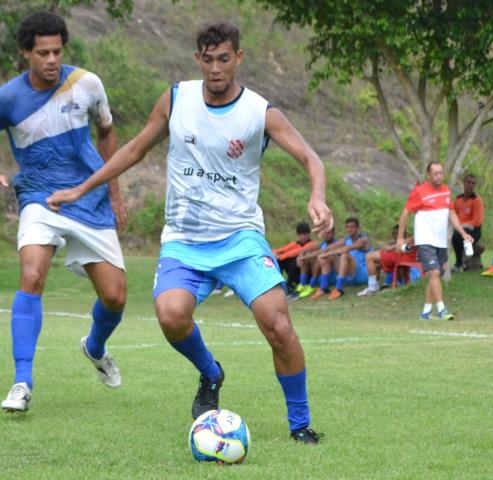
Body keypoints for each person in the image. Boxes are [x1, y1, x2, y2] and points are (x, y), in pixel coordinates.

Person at [47, 21, 332, 443]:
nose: (215, 68)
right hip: (184, 239)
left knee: (277, 323)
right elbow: (134, 149)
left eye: (224, 58)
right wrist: (83, 188)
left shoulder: (260, 111)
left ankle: (300, 425)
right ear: (197, 59)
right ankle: (211, 372)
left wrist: (318, 196)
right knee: (171, 316)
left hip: (239, 237)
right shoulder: (176, 99)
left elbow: (311, 158)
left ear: (238, 58)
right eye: (208, 59)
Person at [0, 12, 129, 413]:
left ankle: (94, 347)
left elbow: (107, 132)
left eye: (57, 51)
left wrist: (115, 193)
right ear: (25, 53)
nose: (52, 59)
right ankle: (22, 381)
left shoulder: (86, 84)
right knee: (32, 274)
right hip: (39, 196)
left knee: (115, 297)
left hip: (88, 197)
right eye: (42, 53)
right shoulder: (5, 99)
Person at [397, 162, 473, 320]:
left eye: (441, 173)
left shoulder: (446, 191)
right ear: (428, 175)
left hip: (441, 241)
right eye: (436, 173)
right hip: (425, 240)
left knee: (435, 276)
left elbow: (451, 213)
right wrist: (400, 238)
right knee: (435, 272)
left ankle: (425, 312)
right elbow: (405, 213)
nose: (439, 176)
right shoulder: (419, 192)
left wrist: (463, 233)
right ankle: (441, 310)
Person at [309, 217, 372, 300]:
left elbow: (348, 248)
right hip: (349, 274)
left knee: (344, 255)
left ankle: (339, 288)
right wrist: (305, 256)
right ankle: (324, 287)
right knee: (328, 256)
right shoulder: (345, 240)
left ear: (357, 228)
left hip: (362, 274)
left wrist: (328, 253)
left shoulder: (363, 239)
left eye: (352, 227)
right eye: (348, 227)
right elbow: (328, 249)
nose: (350, 229)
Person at [357, 225, 419, 296]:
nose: (396, 235)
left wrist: (392, 247)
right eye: (395, 233)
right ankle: (375, 286)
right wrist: (391, 247)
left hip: (406, 263)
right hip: (400, 260)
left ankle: (372, 287)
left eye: (399, 233)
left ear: (405, 233)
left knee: (369, 256)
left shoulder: (410, 239)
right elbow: (385, 248)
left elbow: (401, 247)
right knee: (375, 263)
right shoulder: (394, 243)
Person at [272, 222, 315, 296]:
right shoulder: (295, 243)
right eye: (300, 234)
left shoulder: (312, 244)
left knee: (292, 259)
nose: (303, 237)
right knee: (281, 261)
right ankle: (277, 284)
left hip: (307, 275)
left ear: (309, 234)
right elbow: (282, 249)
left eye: (305, 234)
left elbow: (297, 252)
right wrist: (273, 254)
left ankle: (289, 285)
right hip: (295, 273)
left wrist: (280, 256)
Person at [451, 174, 484, 272]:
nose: (470, 185)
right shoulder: (458, 199)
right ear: (464, 183)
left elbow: (477, 221)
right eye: (468, 182)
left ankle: (459, 263)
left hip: (474, 230)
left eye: (473, 183)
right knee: (454, 233)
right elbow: (453, 215)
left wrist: (461, 226)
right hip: (461, 229)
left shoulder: (477, 200)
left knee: (458, 236)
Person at [295, 227, 337, 299]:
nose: (326, 235)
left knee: (319, 257)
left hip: (331, 276)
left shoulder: (336, 244)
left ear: (333, 233)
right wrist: (300, 256)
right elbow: (305, 249)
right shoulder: (322, 244)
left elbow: (323, 252)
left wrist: (303, 257)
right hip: (320, 274)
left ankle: (313, 285)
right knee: (308, 253)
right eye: (324, 233)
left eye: (329, 233)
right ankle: (303, 283)